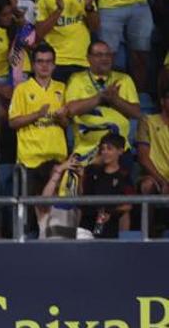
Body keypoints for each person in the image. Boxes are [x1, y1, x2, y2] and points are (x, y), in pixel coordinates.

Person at [9, 44, 69, 199]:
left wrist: (61, 118)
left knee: (56, 211)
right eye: (40, 61)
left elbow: (67, 125)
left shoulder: (62, 88)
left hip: (57, 158)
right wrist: (37, 115)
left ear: (54, 65)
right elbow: (13, 122)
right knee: (29, 211)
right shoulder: (22, 89)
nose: (44, 65)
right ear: (33, 65)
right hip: (30, 159)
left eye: (48, 61)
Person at [63, 40, 140, 160]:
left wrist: (115, 100)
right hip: (86, 150)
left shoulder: (124, 79)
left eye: (108, 55)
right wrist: (100, 98)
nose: (104, 58)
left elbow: (136, 112)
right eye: (99, 55)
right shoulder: (77, 79)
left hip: (120, 150)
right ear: (88, 58)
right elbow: (71, 110)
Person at [34, 0, 98, 83]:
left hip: (83, 61)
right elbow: (38, 35)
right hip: (57, 62)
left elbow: (95, 27)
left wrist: (89, 7)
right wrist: (58, 10)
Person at [76, 132, 135, 238]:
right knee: (57, 233)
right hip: (86, 224)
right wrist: (81, 177)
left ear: (120, 151)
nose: (105, 152)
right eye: (102, 149)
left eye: (109, 149)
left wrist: (110, 213)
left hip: (107, 226)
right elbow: (82, 195)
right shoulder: (92, 171)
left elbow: (128, 205)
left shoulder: (124, 176)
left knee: (100, 239)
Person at [135, 92, 169, 195]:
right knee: (147, 185)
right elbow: (143, 158)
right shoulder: (147, 121)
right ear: (162, 101)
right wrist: (162, 181)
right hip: (155, 177)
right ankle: (148, 212)